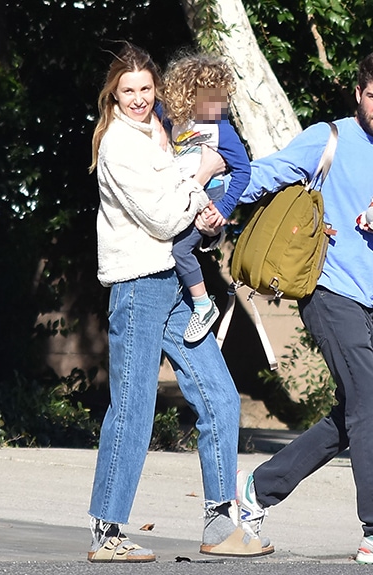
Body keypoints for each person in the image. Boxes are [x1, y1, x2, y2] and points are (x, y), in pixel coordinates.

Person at [236, 46, 373, 565]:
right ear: (358, 93)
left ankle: (257, 488)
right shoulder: (330, 137)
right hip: (326, 290)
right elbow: (267, 173)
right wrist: (213, 189)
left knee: (352, 417)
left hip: (370, 300)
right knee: (372, 409)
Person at [86, 41, 273, 562]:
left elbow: (189, 210)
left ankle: (218, 526)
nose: (140, 99)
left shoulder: (160, 136)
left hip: (174, 285)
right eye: (129, 91)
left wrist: (206, 202)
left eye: (147, 89)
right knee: (134, 408)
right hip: (139, 287)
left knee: (221, 397)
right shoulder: (119, 147)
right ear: (114, 96)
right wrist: (201, 180)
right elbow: (165, 218)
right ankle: (107, 532)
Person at [163, 53, 251, 343]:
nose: (217, 104)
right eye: (207, 96)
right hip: (184, 195)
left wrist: (223, 209)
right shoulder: (174, 123)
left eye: (220, 96)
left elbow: (243, 169)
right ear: (188, 94)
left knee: (180, 251)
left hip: (210, 195)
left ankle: (202, 306)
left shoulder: (220, 129)